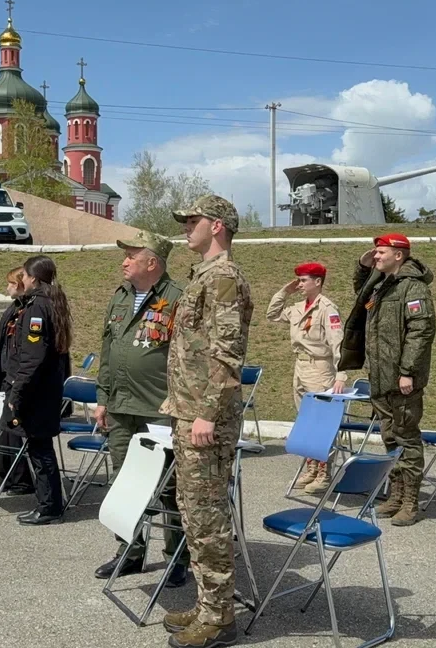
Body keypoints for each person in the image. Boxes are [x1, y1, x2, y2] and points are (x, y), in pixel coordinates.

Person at [160, 196, 253, 648]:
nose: (186, 227)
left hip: (205, 419)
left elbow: (227, 354)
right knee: (194, 514)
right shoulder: (204, 275)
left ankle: (220, 619)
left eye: (192, 220)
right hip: (189, 412)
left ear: (217, 225)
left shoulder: (223, 278)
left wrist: (206, 414)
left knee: (208, 518)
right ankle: (208, 604)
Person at [93, 231, 189, 588]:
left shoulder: (177, 298)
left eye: (131, 256)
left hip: (158, 409)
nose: (124, 262)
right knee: (124, 482)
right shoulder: (119, 297)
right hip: (121, 407)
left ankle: (177, 557)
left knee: (168, 487)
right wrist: (103, 398)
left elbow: (188, 357)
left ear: (152, 263)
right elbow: (107, 350)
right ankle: (130, 552)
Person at [338, 233, 436, 527]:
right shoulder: (381, 284)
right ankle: (396, 494)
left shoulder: (413, 287)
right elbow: (361, 294)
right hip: (380, 376)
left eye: (381, 252)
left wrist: (408, 371)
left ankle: (411, 502)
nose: (376, 256)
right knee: (390, 436)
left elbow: (421, 332)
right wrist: (362, 265)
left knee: (406, 437)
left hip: (401, 378)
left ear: (399, 255)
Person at [1, 255, 73, 526]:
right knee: (41, 447)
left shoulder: (37, 307)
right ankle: (50, 503)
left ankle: (49, 506)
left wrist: (18, 392)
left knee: (39, 449)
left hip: (37, 390)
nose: (24, 280)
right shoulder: (51, 301)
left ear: (33, 278)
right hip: (46, 388)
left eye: (25, 275)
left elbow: (33, 357)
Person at [267, 261, 348, 492]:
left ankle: (324, 472)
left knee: (322, 423)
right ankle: (311, 467)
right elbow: (272, 314)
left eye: (304, 280)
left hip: (320, 368)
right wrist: (284, 292)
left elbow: (338, 343)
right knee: (306, 422)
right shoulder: (298, 307)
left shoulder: (327, 308)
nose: (299, 284)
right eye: (299, 280)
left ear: (318, 281)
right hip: (301, 367)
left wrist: (341, 374)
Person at [0, 267, 35, 495]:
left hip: (17, 379)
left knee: (14, 431)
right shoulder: (14, 308)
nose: (7, 287)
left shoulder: (29, 310)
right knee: (4, 431)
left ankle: (21, 480)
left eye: (11, 283)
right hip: (6, 376)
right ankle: (6, 476)